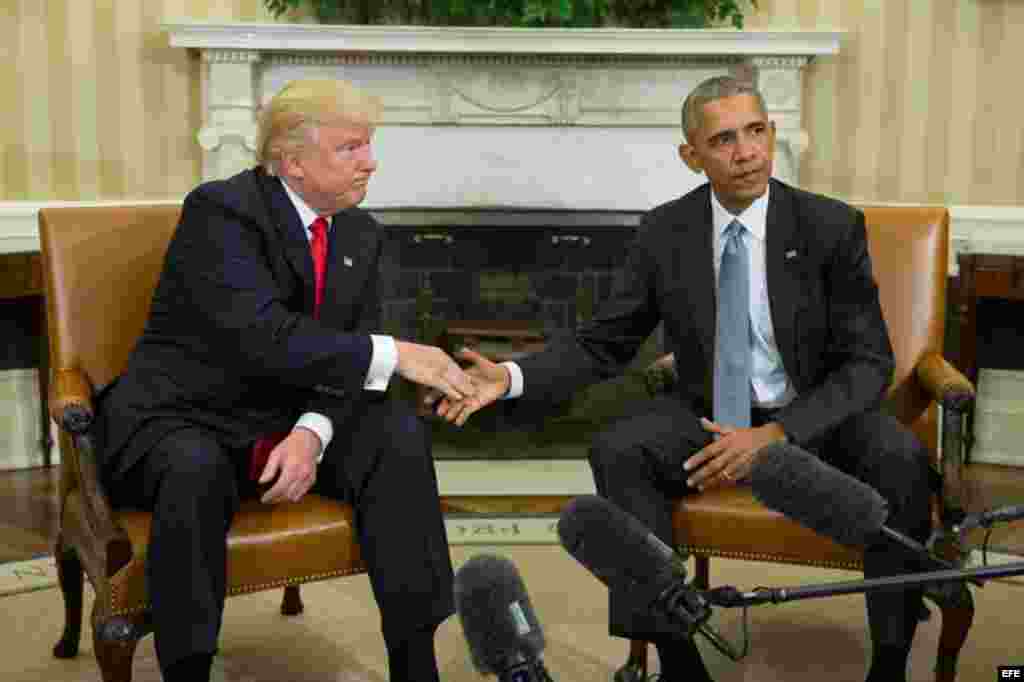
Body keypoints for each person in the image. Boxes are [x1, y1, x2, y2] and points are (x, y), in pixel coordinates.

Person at [430, 75, 933, 682]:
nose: (746, 152)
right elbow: (603, 342)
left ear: (772, 135)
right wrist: (510, 378)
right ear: (691, 156)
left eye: (755, 132)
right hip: (708, 417)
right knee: (619, 448)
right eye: (723, 140)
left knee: (899, 457)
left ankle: (891, 658)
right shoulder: (664, 233)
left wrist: (777, 436)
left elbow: (868, 362)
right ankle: (676, 655)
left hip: (817, 417)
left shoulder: (829, 227)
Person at [94, 78, 477, 682]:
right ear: (292, 162)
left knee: (397, 434)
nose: (370, 162)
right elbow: (263, 337)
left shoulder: (360, 232)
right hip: (185, 412)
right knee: (194, 468)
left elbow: (350, 356)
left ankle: (415, 659)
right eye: (351, 148)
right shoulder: (222, 211)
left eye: (368, 146)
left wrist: (312, 433)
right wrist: (397, 352)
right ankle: (188, 667)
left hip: (283, 416)